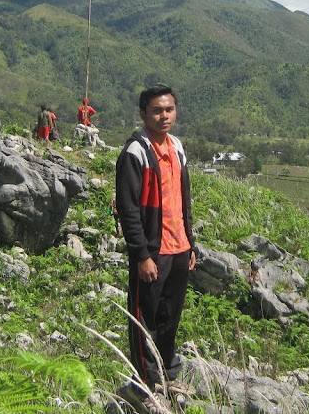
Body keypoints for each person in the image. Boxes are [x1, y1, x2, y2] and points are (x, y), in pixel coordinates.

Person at [115, 84, 197, 399]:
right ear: (143, 114)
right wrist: (141, 255)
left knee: (169, 318)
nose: (164, 116)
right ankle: (144, 385)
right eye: (157, 110)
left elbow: (183, 200)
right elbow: (128, 209)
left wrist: (190, 243)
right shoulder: (135, 152)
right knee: (144, 320)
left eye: (169, 109)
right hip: (153, 251)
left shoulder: (176, 147)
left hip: (179, 248)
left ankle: (168, 376)